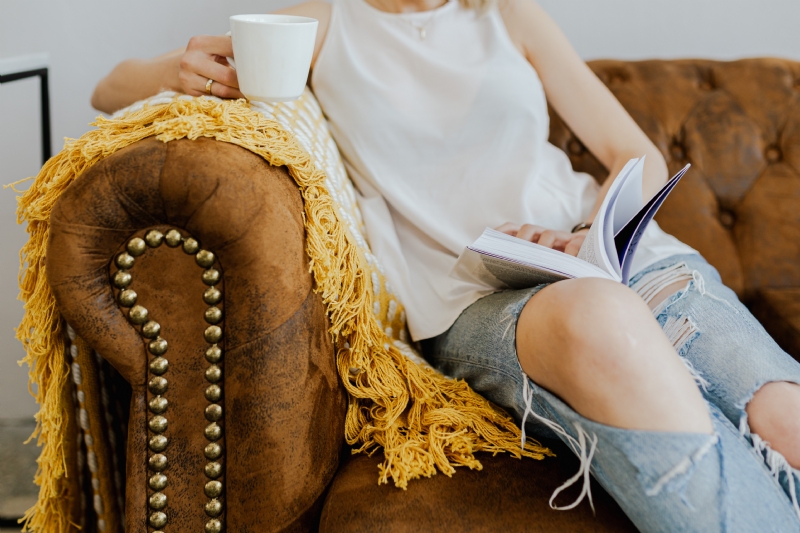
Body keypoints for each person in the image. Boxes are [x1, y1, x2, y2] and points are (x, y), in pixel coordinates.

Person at [92, 0, 800, 530]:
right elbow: (109, 88)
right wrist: (169, 70)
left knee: (783, 416)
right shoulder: (327, 17)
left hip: (617, 255)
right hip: (479, 294)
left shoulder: (507, 13)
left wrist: (584, 234)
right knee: (600, 319)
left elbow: (633, 152)